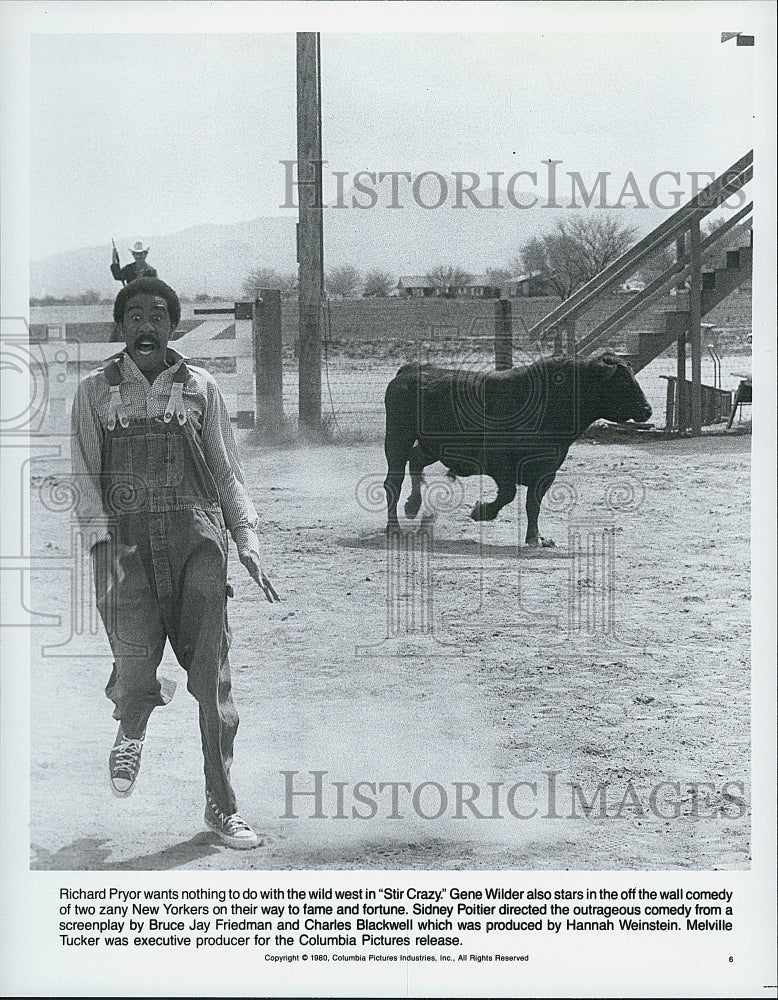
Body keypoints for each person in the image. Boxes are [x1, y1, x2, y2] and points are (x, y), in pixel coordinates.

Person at [71, 276, 278, 849]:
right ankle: (131, 726)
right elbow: (85, 478)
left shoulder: (201, 387)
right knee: (135, 667)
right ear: (121, 326)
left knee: (211, 682)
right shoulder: (94, 391)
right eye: (133, 315)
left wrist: (248, 541)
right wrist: (100, 549)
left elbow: (226, 471)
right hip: (126, 549)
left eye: (157, 314)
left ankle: (222, 805)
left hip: (197, 542)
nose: (146, 324)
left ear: (171, 325)